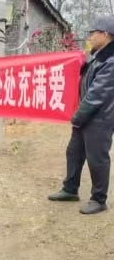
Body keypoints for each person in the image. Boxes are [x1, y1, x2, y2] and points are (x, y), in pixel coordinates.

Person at [48, 16, 114, 214]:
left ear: (105, 34)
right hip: (86, 116)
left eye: (93, 33)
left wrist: (77, 116)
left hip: (100, 118)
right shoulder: (97, 56)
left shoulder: (111, 61)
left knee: (97, 158)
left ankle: (99, 199)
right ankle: (70, 189)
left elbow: (96, 95)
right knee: (74, 152)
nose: (90, 37)